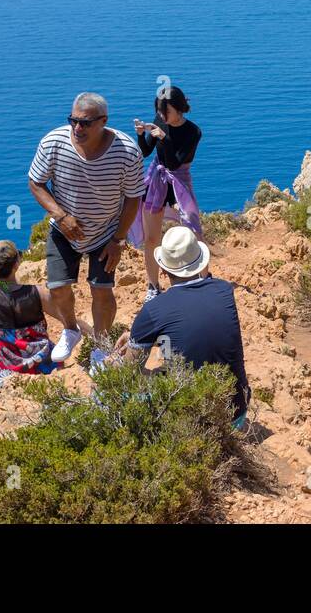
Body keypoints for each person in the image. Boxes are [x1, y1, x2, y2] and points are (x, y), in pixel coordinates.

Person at [28, 93, 144, 365]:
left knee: (101, 291)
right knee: (58, 288)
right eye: (73, 121)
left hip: (106, 234)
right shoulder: (53, 142)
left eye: (85, 123)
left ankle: (101, 349)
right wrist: (61, 215)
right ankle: (70, 329)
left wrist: (118, 239)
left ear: (103, 121)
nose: (77, 128)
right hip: (64, 231)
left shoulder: (127, 152)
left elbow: (133, 197)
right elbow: (36, 183)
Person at [117, 226, 251, 427]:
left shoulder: (154, 310)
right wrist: (141, 337)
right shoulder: (224, 290)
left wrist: (128, 348)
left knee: (116, 389)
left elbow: (128, 370)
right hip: (236, 414)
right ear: (200, 261)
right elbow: (194, 327)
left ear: (163, 269)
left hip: (191, 424)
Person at [0, 241, 62, 404]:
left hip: (2, 370)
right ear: (17, 264)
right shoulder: (37, 293)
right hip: (40, 364)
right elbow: (66, 318)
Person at [130, 85, 203, 300]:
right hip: (156, 180)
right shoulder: (161, 121)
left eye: (166, 112)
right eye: (160, 112)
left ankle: (201, 277)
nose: (162, 116)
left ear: (179, 108)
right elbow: (145, 152)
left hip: (179, 181)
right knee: (152, 238)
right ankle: (153, 286)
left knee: (192, 231)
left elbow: (174, 163)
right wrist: (141, 135)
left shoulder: (193, 132)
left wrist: (164, 138)